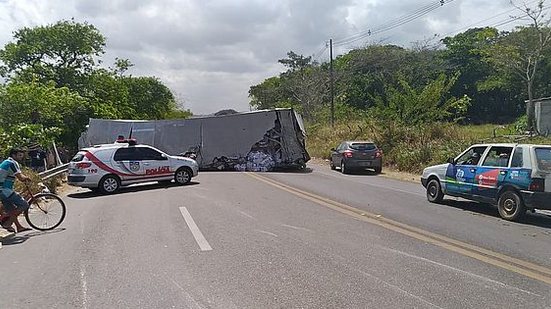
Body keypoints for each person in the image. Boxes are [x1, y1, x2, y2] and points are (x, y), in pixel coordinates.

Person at [0, 148, 32, 233]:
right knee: (24, 204)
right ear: (14, 155)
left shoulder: (7, 162)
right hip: (4, 190)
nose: (21, 157)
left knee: (11, 209)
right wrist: (28, 178)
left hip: (3, 190)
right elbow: (21, 177)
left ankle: (19, 227)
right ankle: (7, 222)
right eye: (19, 155)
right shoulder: (12, 163)